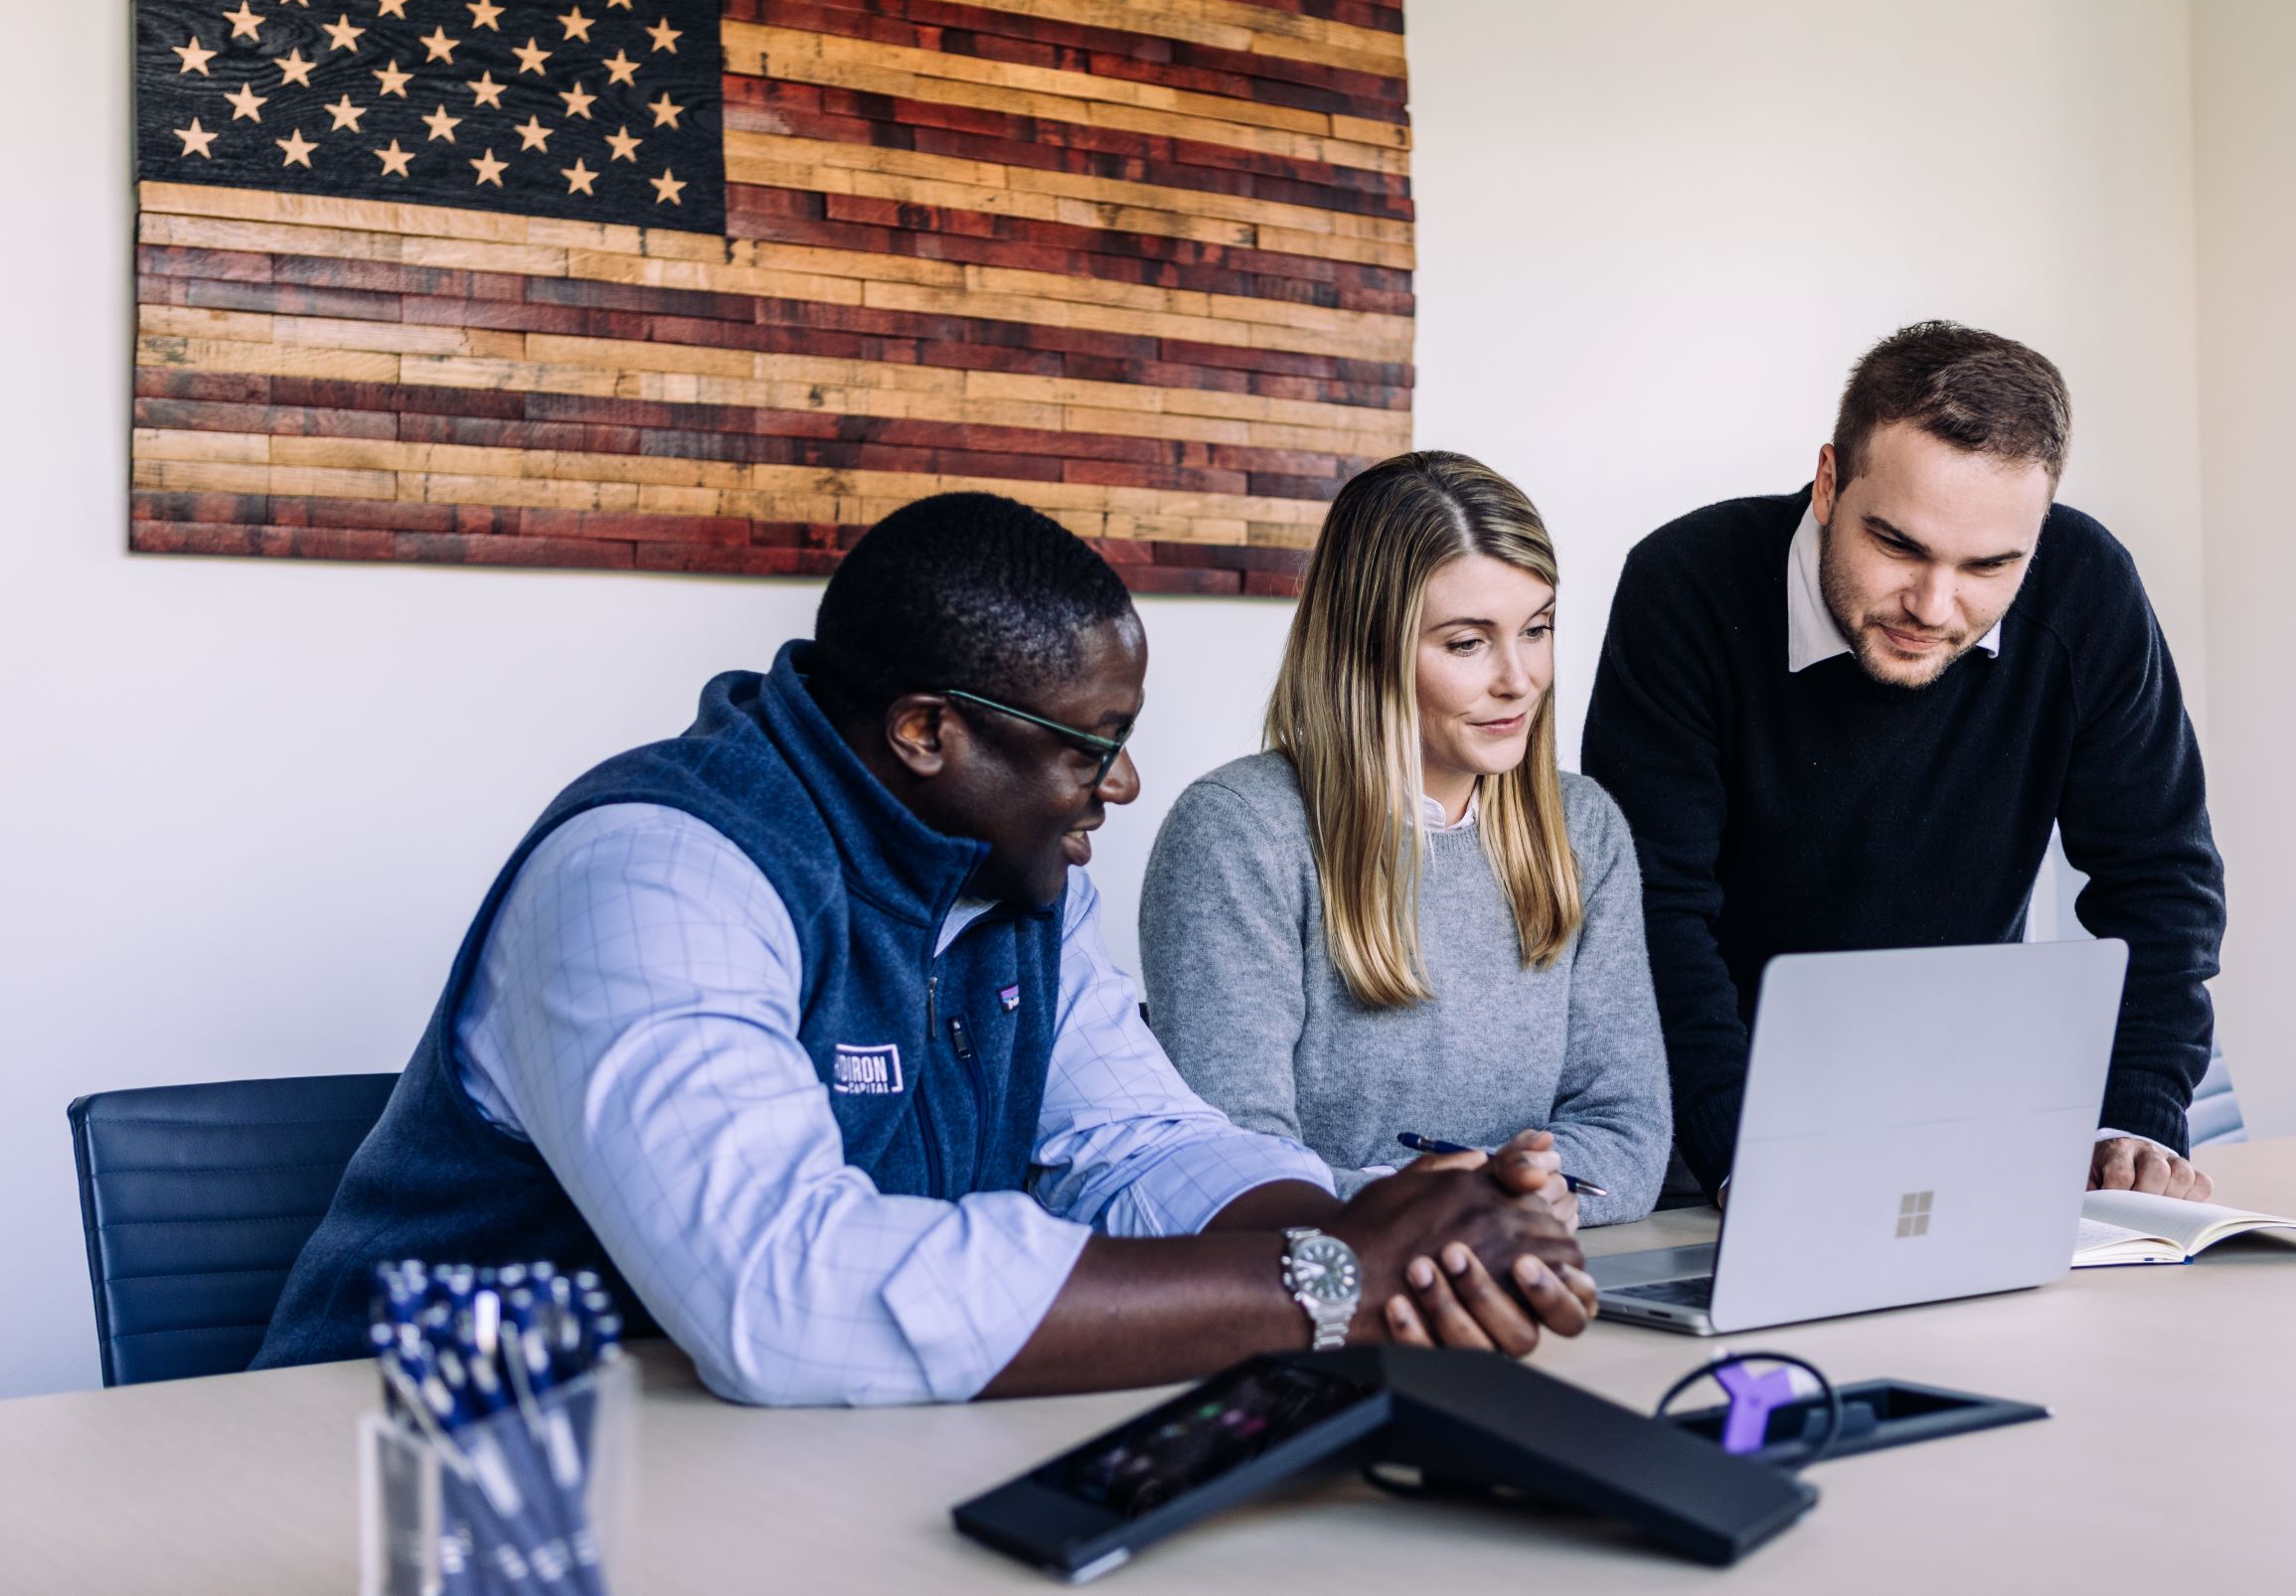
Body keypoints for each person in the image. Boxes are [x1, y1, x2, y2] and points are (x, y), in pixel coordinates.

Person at [253, 494, 1599, 1405]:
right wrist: (1324, 1281)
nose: (1119, 785)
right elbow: (784, 1292)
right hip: (422, 1466)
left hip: (746, 1458)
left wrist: (1400, 1235)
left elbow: (1131, 1140)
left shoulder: (1014, 871)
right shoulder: (657, 872)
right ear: (923, 732)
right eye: (1088, 745)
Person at [1582, 322, 2225, 1206]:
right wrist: (1750, 1151)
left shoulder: (2087, 588)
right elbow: (1651, 911)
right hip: (1709, 1126)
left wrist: (2136, 1115)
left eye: (1989, 565)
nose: (1932, 604)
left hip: (1961, 1122)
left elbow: (2163, 879)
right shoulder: (1686, 585)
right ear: (1828, 483)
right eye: (1898, 545)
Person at [1140, 452, 1673, 1228]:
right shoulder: (1237, 833)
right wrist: (1453, 1203)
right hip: (1324, 1299)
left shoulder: (1582, 827)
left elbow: (1628, 1135)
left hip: (1535, 1277)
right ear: (1367, 649)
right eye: (1467, 643)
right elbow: (1232, 1165)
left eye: (1537, 629)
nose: (1520, 679)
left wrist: (1507, 1201)